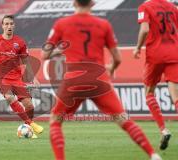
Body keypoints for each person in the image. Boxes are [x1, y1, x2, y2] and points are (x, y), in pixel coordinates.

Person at [42, 0, 162, 160]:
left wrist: (61, 50)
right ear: (92, 4)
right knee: (124, 120)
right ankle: (153, 155)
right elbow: (118, 58)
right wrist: (111, 69)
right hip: (99, 79)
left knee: (55, 121)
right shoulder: (103, 24)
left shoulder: (62, 24)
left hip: (74, 79)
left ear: (74, 3)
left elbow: (44, 55)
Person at [0, 15, 44, 138]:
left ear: (14, 25)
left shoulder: (20, 42)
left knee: (29, 104)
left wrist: (33, 77)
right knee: (10, 97)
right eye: (6, 24)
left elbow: (25, 61)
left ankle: (29, 129)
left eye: (11, 24)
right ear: (2, 26)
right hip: (1, 77)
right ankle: (31, 124)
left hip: (16, 78)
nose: (9, 26)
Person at [133, 0, 178, 150]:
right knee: (176, 97)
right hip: (174, 54)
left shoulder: (145, 7)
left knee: (149, 92)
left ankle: (163, 130)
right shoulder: (172, 7)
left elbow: (145, 29)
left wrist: (138, 47)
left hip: (156, 55)